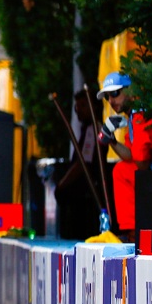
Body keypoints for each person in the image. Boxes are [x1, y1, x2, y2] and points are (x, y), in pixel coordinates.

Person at [98, 72, 152, 236]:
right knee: (121, 169)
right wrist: (110, 139)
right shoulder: (134, 115)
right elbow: (130, 155)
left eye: (115, 93)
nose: (111, 100)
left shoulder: (140, 114)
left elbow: (141, 162)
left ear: (131, 91)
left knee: (121, 171)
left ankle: (134, 233)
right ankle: (131, 231)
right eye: (107, 97)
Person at [54, 92, 102, 241]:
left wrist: (62, 185)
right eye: (77, 106)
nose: (78, 110)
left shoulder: (92, 129)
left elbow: (83, 164)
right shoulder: (87, 129)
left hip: (86, 197)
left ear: (93, 107)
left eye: (83, 105)